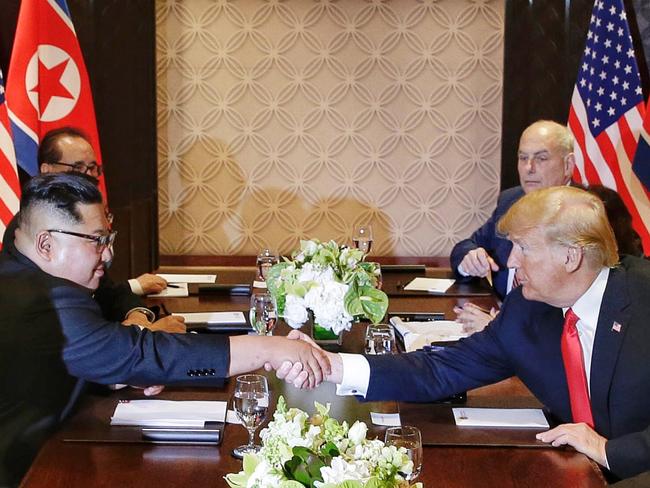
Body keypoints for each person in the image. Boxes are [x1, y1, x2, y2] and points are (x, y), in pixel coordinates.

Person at [278, 186, 650, 482]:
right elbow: (440, 369)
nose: (510, 261)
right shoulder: (526, 311)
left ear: (571, 257)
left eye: (523, 247)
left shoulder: (642, 299)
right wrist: (332, 366)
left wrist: (608, 451)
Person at [0, 173, 331, 486]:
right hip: (23, 470)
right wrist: (268, 348)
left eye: (109, 238)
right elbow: (143, 354)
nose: (109, 253)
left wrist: (117, 369)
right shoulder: (42, 296)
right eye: (98, 241)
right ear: (46, 244)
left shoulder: (23, 265)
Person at [451, 120, 576, 330]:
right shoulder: (510, 200)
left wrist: (499, 329)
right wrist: (470, 258)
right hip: (496, 323)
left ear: (568, 165)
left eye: (541, 158)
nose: (529, 168)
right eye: (523, 158)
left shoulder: (584, 213)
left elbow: (569, 317)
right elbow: (466, 245)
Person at [38, 126, 167, 296]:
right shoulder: (33, 225)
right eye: (77, 168)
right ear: (47, 171)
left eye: (92, 168)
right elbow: (68, 304)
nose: (89, 176)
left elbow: (104, 289)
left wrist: (138, 313)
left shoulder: (88, 219)